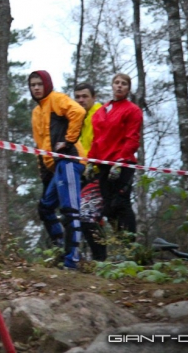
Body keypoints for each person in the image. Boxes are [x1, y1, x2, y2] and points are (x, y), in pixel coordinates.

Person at [29, 71, 87, 270]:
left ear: (47, 84)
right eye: (32, 85)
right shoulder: (37, 112)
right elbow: (40, 144)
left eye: (39, 84)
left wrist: (69, 141)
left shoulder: (57, 99)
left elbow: (78, 112)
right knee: (45, 208)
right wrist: (44, 172)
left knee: (70, 210)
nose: (36, 87)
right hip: (55, 167)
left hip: (70, 160)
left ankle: (73, 260)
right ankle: (61, 249)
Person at [87, 73, 142, 241]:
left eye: (123, 83)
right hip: (103, 164)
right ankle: (121, 243)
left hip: (122, 164)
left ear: (128, 88)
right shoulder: (101, 111)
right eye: (116, 83)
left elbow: (132, 138)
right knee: (108, 207)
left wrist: (120, 162)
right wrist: (90, 161)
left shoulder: (132, 110)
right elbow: (97, 140)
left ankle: (132, 247)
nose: (119, 86)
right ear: (112, 85)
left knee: (121, 203)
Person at [74, 83, 107, 261]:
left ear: (94, 97)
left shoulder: (100, 113)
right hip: (84, 172)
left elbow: (101, 142)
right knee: (87, 217)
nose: (81, 100)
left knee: (87, 216)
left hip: (99, 171)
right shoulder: (79, 117)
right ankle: (98, 258)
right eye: (77, 96)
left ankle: (100, 258)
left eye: (85, 96)